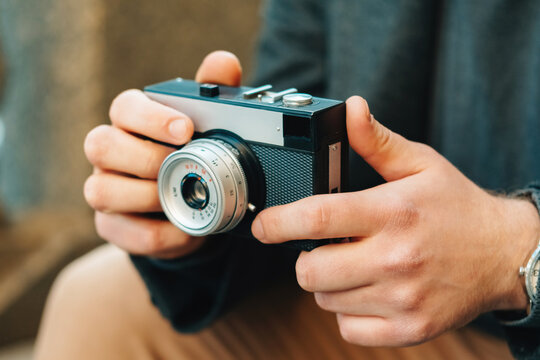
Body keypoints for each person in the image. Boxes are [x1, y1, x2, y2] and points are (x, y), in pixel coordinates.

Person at [35, 0, 540, 359]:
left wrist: (514, 251)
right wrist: (195, 229)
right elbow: (291, 166)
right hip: (372, 298)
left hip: (517, 314)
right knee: (94, 300)